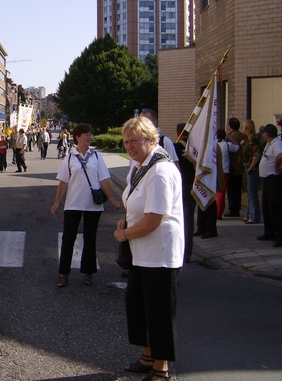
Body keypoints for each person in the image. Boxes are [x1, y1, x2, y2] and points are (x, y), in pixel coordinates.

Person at [113, 116, 184, 381]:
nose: (130, 146)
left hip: (160, 253)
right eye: (126, 141)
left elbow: (154, 219)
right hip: (140, 251)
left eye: (135, 141)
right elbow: (137, 202)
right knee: (139, 307)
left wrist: (123, 233)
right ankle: (147, 356)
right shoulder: (139, 165)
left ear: (151, 140)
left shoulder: (161, 170)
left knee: (159, 312)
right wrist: (128, 220)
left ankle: (161, 368)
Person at [51, 124, 120, 287]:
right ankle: (64, 273)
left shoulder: (96, 157)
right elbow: (63, 181)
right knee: (68, 238)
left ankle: (87, 272)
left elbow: (104, 179)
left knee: (90, 238)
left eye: (90, 134)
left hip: (93, 205)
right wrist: (56, 202)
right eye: (86, 134)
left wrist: (111, 198)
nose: (89, 137)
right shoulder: (70, 157)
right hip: (73, 203)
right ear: (77, 137)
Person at [258, 124, 282, 247]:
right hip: (267, 179)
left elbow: (281, 156)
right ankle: (269, 232)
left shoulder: (277, 144)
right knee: (267, 207)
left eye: (264, 133)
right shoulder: (269, 144)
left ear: (267, 134)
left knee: (275, 207)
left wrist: (276, 166)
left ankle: (280, 236)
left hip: (275, 179)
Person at [172, 124, 195, 264]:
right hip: (193, 185)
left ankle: (178, 250)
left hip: (180, 186)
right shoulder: (195, 148)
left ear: (178, 133)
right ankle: (188, 253)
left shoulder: (176, 147)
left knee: (178, 219)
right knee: (189, 220)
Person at [224, 117, 247, 217]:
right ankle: (237, 208)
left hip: (232, 167)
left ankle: (233, 209)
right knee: (237, 190)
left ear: (230, 127)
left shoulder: (229, 137)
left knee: (231, 190)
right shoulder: (244, 135)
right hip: (241, 167)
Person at [241, 120, 261, 224]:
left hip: (252, 169)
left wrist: (251, 166)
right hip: (248, 167)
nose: (242, 128)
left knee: (252, 193)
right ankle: (249, 214)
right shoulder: (248, 139)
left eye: (244, 126)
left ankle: (254, 216)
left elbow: (256, 154)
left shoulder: (253, 139)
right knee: (249, 193)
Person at [216, 128, 238, 220]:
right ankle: (219, 213)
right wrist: (231, 138)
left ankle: (213, 212)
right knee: (221, 193)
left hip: (215, 171)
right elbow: (237, 148)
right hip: (225, 171)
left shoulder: (213, 144)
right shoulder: (227, 145)